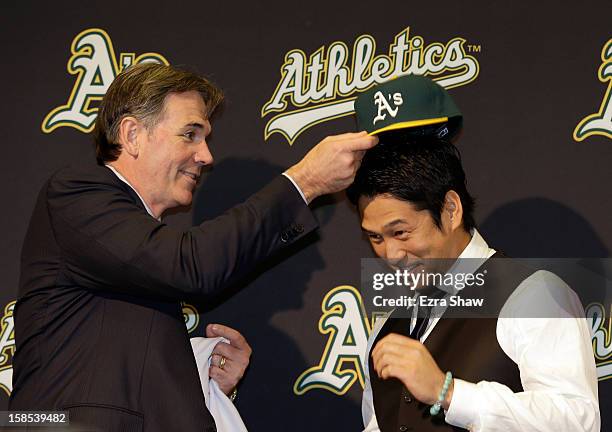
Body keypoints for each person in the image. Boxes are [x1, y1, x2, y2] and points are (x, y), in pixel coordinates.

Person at [9, 63, 377, 432]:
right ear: (132, 134)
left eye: (205, 138)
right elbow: (190, 266)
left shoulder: (136, 255)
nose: (206, 155)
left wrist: (207, 382)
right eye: (190, 134)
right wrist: (304, 181)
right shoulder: (76, 193)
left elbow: (128, 376)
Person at [347, 75, 600, 431]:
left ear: (451, 210)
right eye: (374, 237)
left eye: (400, 232)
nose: (390, 253)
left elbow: (578, 420)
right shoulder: (389, 326)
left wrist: (447, 393)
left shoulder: (531, 294)